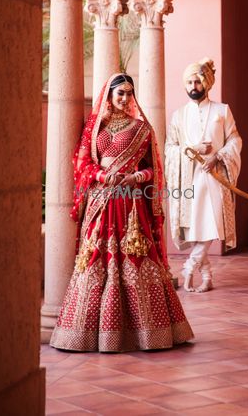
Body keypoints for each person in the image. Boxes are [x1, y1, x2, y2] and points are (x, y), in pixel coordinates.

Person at [50, 73, 194, 352]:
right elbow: (82, 164)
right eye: (120, 93)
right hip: (100, 203)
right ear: (109, 96)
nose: (125, 98)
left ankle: (149, 334)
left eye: (129, 93)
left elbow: (154, 170)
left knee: (135, 260)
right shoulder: (94, 128)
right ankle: (84, 334)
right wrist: (103, 177)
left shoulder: (142, 129)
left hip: (130, 204)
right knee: (93, 261)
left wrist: (136, 178)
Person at [165, 58, 242, 293]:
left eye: (197, 81)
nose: (193, 86)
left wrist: (217, 156)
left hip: (215, 178)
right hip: (189, 180)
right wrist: (193, 151)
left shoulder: (221, 111)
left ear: (206, 83)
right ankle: (206, 277)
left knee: (212, 224)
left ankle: (188, 268)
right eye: (189, 82)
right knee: (198, 228)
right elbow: (169, 148)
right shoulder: (178, 116)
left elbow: (235, 140)